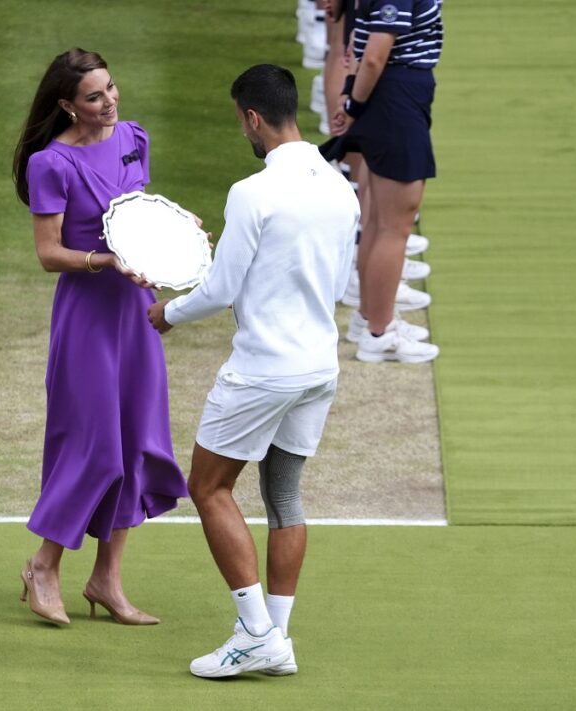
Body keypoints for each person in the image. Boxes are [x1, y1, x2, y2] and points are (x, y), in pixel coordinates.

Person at [147, 64, 359, 677]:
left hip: (265, 369)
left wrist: (168, 313)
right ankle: (276, 642)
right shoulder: (340, 187)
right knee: (283, 494)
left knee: (208, 486)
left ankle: (255, 631)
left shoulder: (253, 192)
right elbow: (334, 280)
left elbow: (218, 290)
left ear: (253, 118)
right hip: (320, 365)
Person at [11, 48, 188, 626]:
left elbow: (143, 218)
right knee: (93, 448)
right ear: (67, 104)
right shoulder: (50, 164)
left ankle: (106, 581)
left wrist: (176, 244)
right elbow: (47, 254)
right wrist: (105, 261)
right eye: (94, 96)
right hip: (87, 318)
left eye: (111, 88)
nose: (109, 101)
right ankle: (43, 566)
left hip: (136, 316)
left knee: (136, 442)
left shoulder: (134, 136)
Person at [327, 0, 444, 363]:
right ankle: (380, 333)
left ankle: (370, 319)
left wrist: (351, 94)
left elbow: (357, 43)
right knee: (394, 225)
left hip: (388, 96)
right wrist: (352, 107)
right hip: (394, 99)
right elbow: (374, 54)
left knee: (378, 218)